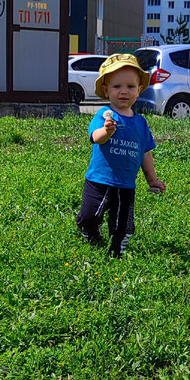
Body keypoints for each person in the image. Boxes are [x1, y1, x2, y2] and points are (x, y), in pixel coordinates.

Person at [76, 54, 165, 257]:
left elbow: (145, 152)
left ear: (139, 90)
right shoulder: (104, 115)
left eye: (130, 87)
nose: (124, 91)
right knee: (90, 216)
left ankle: (116, 253)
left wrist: (152, 179)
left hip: (126, 184)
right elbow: (95, 137)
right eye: (117, 87)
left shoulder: (141, 123)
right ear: (106, 90)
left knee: (123, 224)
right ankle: (89, 231)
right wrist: (107, 132)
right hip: (99, 180)